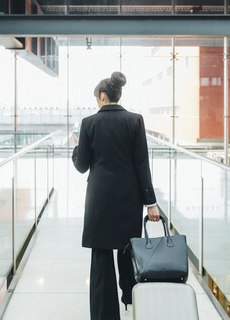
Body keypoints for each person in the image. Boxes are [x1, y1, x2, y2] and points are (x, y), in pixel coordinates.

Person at [72, 71, 160, 320]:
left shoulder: (89, 123)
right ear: (118, 95)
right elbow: (142, 164)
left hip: (99, 198)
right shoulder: (135, 120)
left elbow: (82, 166)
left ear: (102, 95)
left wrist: (77, 147)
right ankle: (131, 299)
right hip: (128, 198)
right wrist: (150, 202)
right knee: (127, 248)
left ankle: (104, 315)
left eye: (96, 98)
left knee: (101, 255)